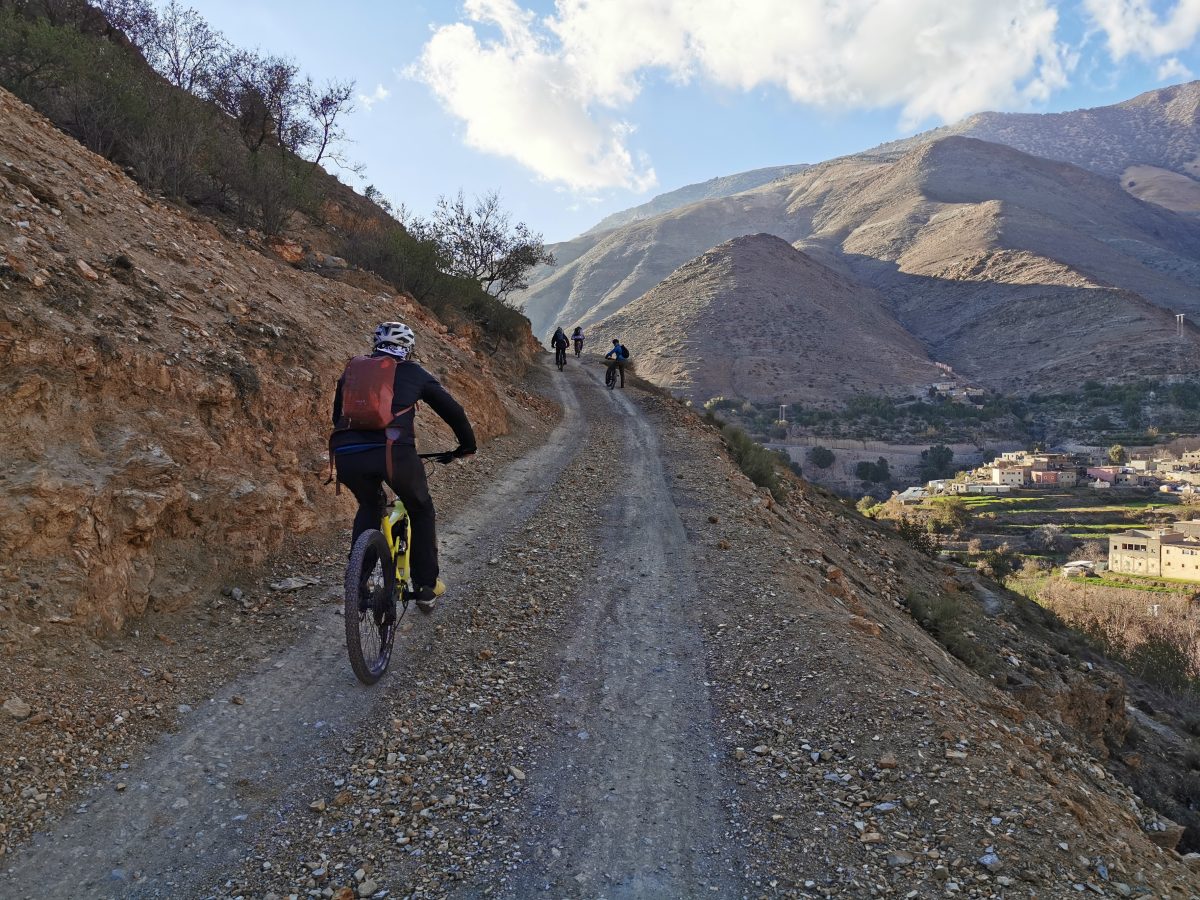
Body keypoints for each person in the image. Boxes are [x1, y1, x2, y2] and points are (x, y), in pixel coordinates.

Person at [331, 321, 476, 614]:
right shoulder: (413, 372)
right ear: (408, 349)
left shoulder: (353, 371)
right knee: (420, 507)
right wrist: (466, 446)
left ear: (376, 345)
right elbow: (454, 411)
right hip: (393, 454)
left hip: (346, 453)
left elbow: (338, 416)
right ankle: (425, 586)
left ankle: (355, 585)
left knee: (369, 505)